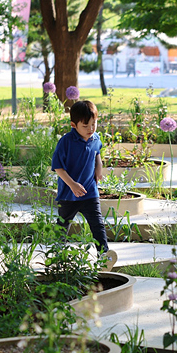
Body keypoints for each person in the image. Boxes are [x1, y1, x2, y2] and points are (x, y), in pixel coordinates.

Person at [51, 100, 117, 270]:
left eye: (94, 124)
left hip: (89, 191)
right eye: (85, 125)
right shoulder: (66, 141)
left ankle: (104, 255)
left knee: (97, 223)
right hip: (69, 194)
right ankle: (58, 256)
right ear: (74, 125)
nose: (91, 129)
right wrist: (72, 185)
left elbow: (97, 153)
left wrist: (99, 168)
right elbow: (58, 166)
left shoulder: (96, 138)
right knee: (63, 224)